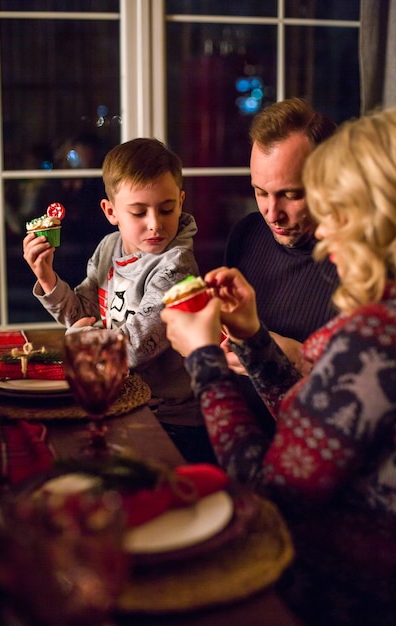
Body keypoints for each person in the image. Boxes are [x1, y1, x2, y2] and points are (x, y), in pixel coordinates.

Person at [161, 108, 396, 625]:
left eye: (335, 205)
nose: (326, 231)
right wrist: (251, 337)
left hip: (335, 598)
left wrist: (203, 361)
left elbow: (269, 496)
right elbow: (316, 426)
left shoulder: (375, 334)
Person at [23, 137, 215, 464]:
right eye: (139, 212)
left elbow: (136, 346)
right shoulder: (109, 247)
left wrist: (80, 342)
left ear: (181, 202)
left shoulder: (177, 264)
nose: (155, 223)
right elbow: (82, 312)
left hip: (170, 420)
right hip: (121, 401)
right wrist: (47, 278)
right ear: (110, 212)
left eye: (166, 209)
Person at [224, 98, 339, 434]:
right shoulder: (247, 234)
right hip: (233, 435)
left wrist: (303, 360)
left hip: (313, 455)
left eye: (291, 194)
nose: (272, 213)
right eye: (260, 192)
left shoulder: (361, 262)